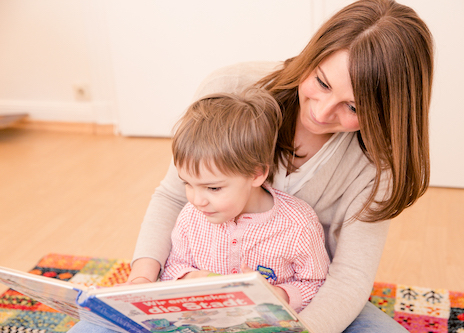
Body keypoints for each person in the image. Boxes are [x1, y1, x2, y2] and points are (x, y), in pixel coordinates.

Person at [70, 0, 433, 331]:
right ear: (311, 56)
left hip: (304, 303)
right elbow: (171, 198)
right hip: (195, 290)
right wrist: (142, 283)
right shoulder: (234, 88)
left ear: (387, 111)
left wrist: (292, 324)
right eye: (321, 82)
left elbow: (349, 278)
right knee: (95, 325)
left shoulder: (377, 162)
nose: (321, 113)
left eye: (353, 107)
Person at [161, 90, 330, 315]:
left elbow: (317, 284)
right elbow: (173, 266)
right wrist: (192, 277)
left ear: (256, 174)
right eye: (188, 184)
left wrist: (281, 295)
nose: (196, 200)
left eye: (213, 188)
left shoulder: (298, 225)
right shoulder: (191, 216)